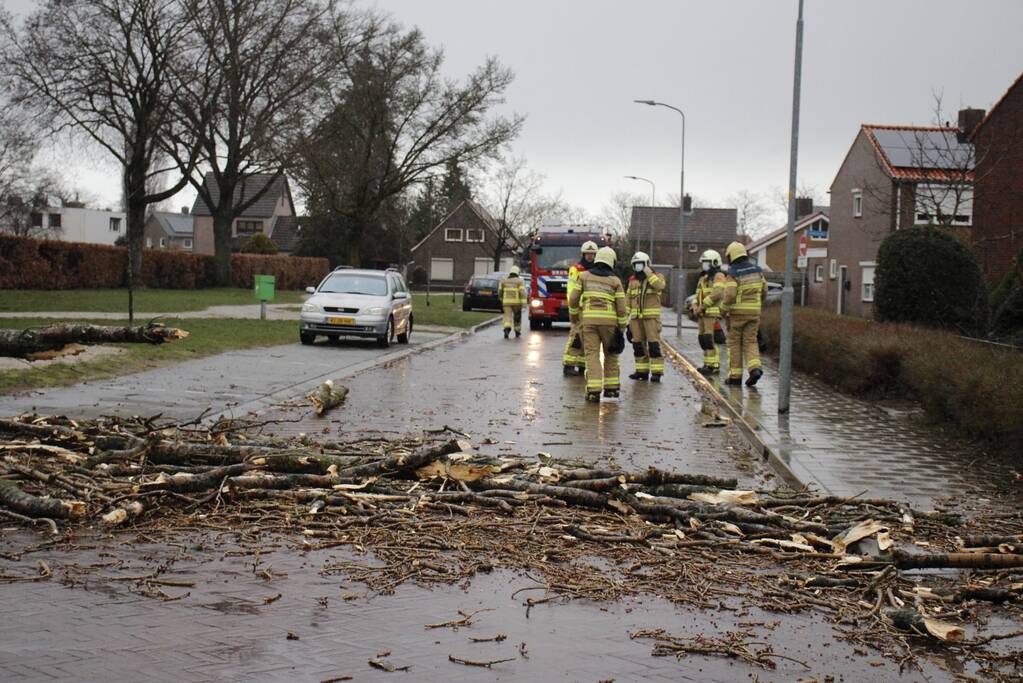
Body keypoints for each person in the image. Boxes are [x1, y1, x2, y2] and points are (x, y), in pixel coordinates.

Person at [568, 246, 627, 402]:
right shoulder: (615, 281)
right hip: (609, 324)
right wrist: (621, 328)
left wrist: (574, 317)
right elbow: (621, 308)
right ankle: (612, 389)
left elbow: (573, 299)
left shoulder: (584, 276)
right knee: (611, 354)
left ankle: (593, 391)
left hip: (588, 322)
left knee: (592, 355)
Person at [721, 241, 766, 386]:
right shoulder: (757, 270)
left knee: (734, 343)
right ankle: (755, 369)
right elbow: (764, 291)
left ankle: (735, 377)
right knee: (751, 341)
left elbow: (729, 295)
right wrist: (757, 305)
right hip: (754, 314)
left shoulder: (733, 273)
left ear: (731, 256)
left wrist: (722, 309)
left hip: (737, 315)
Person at [625, 251, 666, 382]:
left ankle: (657, 372)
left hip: (651, 319)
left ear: (646, 264)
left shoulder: (656, 277)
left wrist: (648, 273)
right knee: (638, 345)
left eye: (640, 264)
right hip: (636, 319)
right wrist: (625, 319)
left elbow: (660, 286)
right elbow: (628, 299)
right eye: (635, 264)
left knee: (653, 345)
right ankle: (641, 371)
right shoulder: (632, 280)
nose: (638, 267)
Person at [563, 240, 599, 376]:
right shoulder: (576, 269)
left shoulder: (597, 270)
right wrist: (574, 306)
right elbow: (571, 289)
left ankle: (582, 365)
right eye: (588, 254)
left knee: (588, 338)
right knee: (576, 336)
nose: (590, 256)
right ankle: (568, 364)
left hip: (592, 308)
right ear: (583, 254)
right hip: (580, 308)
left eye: (592, 254)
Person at [693, 249, 727, 377]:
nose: (704, 265)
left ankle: (715, 365)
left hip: (712, 314)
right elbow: (697, 294)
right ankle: (707, 364)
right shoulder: (703, 278)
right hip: (702, 314)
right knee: (704, 340)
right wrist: (695, 305)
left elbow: (717, 293)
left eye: (706, 262)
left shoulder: (719, 276)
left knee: (710, 339)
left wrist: (703, 305)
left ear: (714, 262)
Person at [498, 266, 527, 338]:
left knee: (507, 317)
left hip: (506, 303)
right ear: (517, 273)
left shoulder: (504, 281)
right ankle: (517, 331)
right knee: (517, 318)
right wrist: (524, 304)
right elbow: (522, 293)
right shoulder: (519, 281)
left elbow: (500, 291)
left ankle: (506, 329)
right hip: (517, 303)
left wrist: (501, 299)